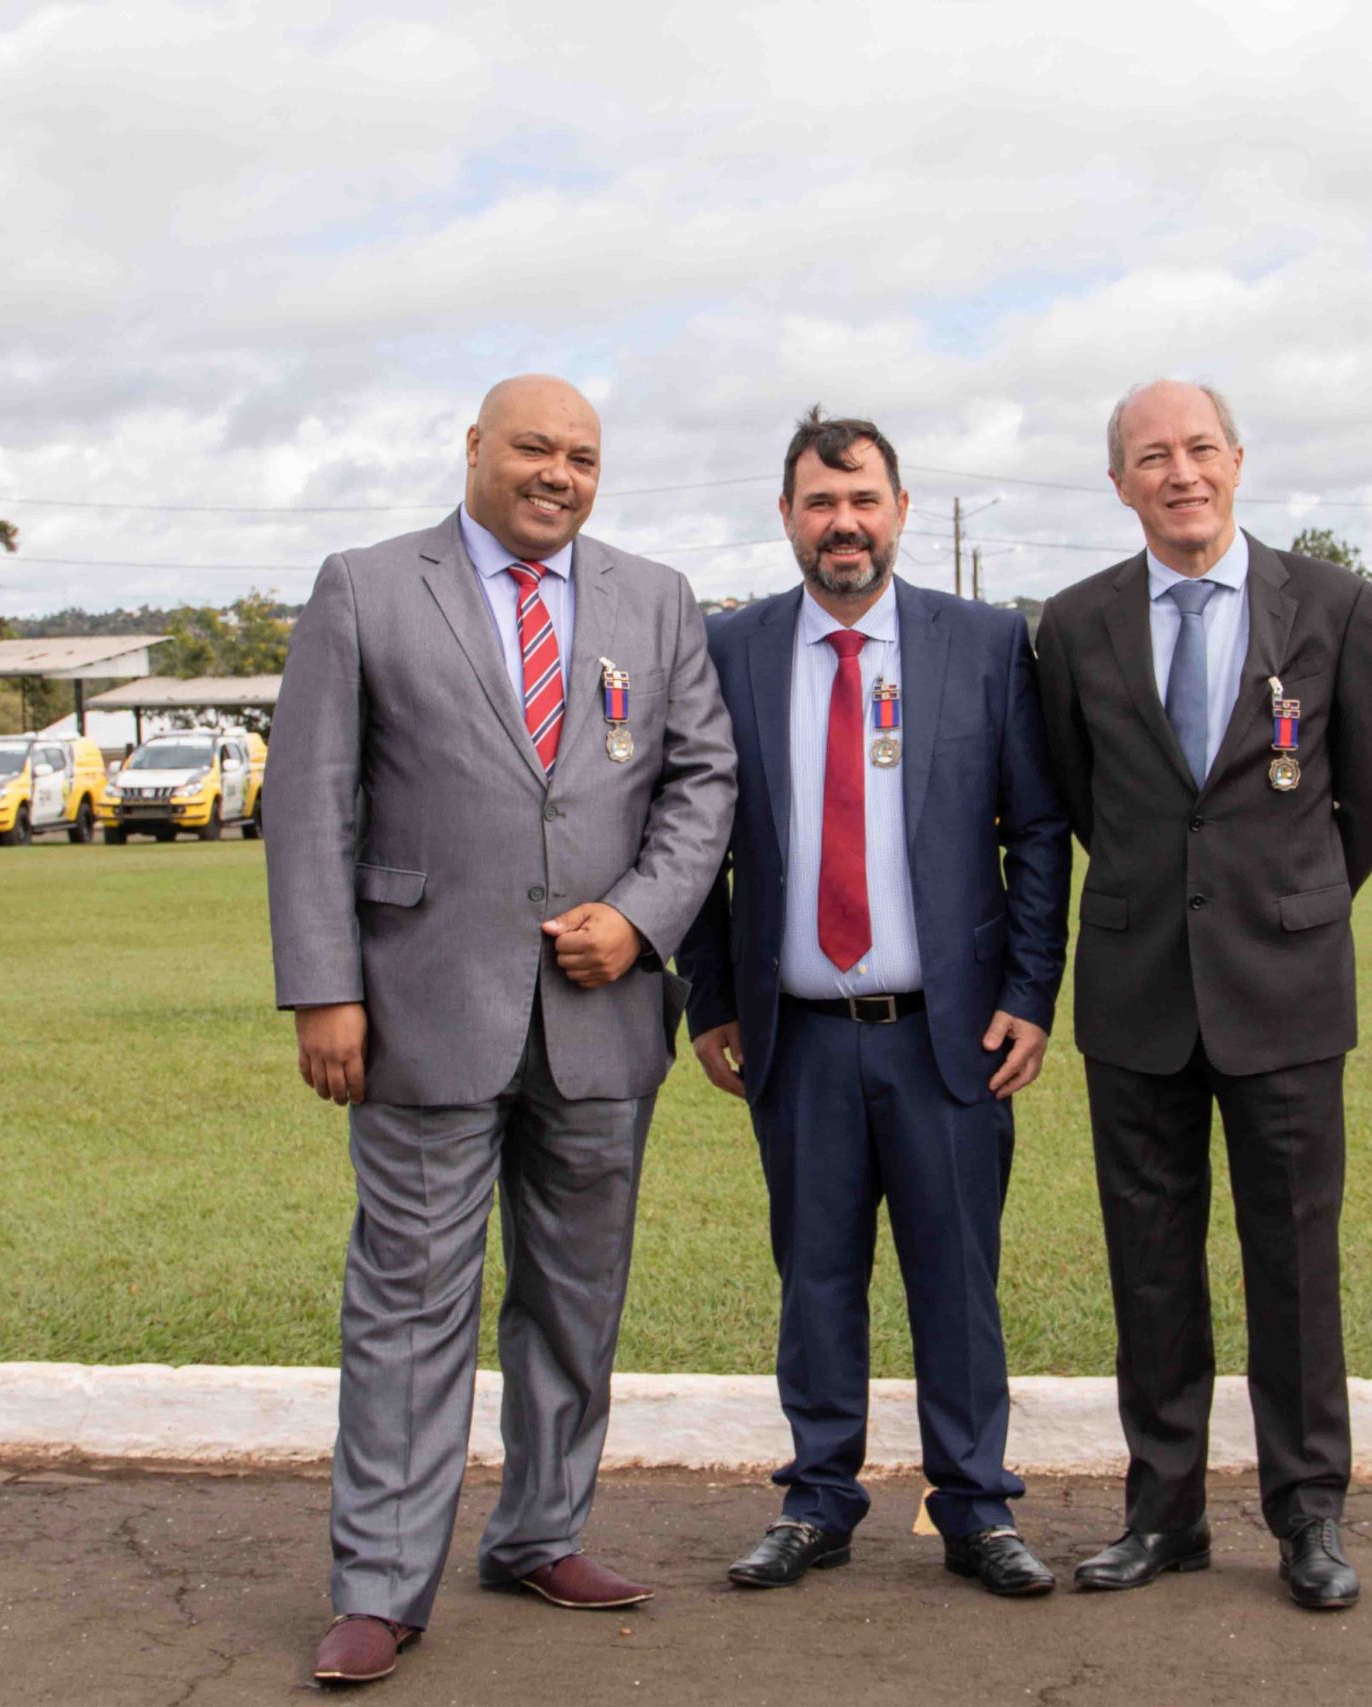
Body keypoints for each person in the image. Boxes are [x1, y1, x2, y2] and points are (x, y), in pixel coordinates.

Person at [264, 375, 738, 1686]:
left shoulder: (657, 597)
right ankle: (380, 1580)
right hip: (418, 1007)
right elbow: (311, 799)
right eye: (534, 447)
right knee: (410, 1300)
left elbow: (704, 783)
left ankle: (540, 1530)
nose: (559, 473)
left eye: (583, 456)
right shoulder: (365, 586)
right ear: (474, 448)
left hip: (603, 1012)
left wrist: (641, 921)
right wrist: (324, 986)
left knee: (575, 1295)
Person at [677, 408, 1073, 1598]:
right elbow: (695, 833)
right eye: (817, 503)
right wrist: (709, 998)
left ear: (899, 511)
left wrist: (1029, 994)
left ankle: (975, 1506)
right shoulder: (730, 648)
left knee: (957, 1278)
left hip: (945, 1038)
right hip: (793, 1040)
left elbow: (1039, 831)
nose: (841, 525)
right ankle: (817, 1501)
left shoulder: (986, 644)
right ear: (788, 518)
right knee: (815, 1278)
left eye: (861, 502)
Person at [1033, 379, 1372, 1609]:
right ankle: (1164, 1513)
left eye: (1199, 449)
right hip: (1138, 987)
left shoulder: (1335, 607)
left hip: (1286, 988)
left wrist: (1287, 898)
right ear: (1120, 482)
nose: (1179, 472)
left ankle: (1309, 1517)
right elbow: (1082, 800)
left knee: (1293, 1261)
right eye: (1152, 455)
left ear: (1238, 461)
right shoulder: (1076, 626)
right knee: (1148, 1262)